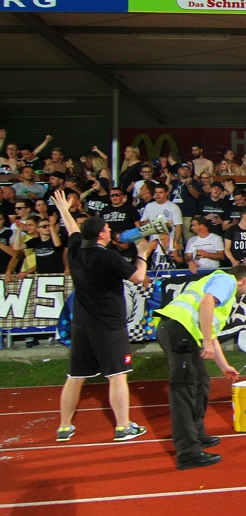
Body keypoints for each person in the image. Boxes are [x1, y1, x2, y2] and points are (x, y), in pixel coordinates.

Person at [53, 190, 152, 444]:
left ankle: (64, 427)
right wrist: (143, 253)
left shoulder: (75, 250)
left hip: (82, 324)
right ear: (102, 234)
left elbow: (72, 228)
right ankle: (122, 426)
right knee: (117, 375)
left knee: (75, 376)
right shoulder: (108, 257)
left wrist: (64, 209)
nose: (109, 230)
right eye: (107, 228)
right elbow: (139, 278)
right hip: (108, 325)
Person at [154, 266, 246, 470]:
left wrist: (224, 366)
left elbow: (212, 333)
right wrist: (206, 341)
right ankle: (187, 452)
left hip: (179, 331)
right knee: (184, 390)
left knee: (200, 381)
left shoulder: (221, 288)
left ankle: (197, 434)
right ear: (244, 280)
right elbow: (206, 302)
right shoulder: (226, 281)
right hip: (179, 331)